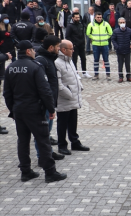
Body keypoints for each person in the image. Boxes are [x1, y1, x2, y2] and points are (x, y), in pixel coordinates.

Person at [3, 41, 67, 183]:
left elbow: (6, 93)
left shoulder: (10, 68)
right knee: (43, 140)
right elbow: (45, 91)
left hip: (19, 110)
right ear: (28, 51)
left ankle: (25, 171)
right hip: (34, 110)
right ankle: (50, 172)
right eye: (32, 50)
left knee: (23, 141)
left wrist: (12, 109)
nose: (34, 52)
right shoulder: (35, 67)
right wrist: (51, 109)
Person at [55, 40, 90, 155]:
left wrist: (80, 87)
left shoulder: (69, 61)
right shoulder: (57, 63)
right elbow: (58, 84)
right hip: (64, 99)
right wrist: (69, 94)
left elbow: (75, 76)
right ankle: (62, 145)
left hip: (73, 98)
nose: (73, 51)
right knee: (62, 124)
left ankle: (74, 142)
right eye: (71, 49)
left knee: (73, 122)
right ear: (64, 50)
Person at [33, 36, 66, 161]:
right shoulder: (42, 60)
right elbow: (41, 84)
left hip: (50, 100)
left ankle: (48, 152)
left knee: (47, 131)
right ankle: (42, 156)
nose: (59, 49)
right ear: (51, 47)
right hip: (44, 102)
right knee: (42, 132)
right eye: (58, 47)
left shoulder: (49, 58)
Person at [86, 12, 112, 80]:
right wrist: (93, 38)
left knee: (106, 60)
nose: (99, 18)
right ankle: (96, 74)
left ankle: (108, 74)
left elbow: (110, 32)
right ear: (95, 17)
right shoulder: (91, 24)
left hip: (105, 44)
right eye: (98, 17)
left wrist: (106, 38)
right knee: (96, 60)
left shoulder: (106, 24)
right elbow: (88, 33)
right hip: (95, 45)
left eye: (100, 17)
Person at [65, 12, 89, 78]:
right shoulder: (70, 26)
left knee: (83, 59)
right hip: (74, 46)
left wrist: (84, 43)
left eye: (78, 17)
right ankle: (76, 73)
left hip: (81, 45)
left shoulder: (80, 25)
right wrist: (72, 44)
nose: (78, 19)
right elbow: (67, 36)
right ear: (72, 18)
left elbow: (82, 35)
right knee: (74, 60)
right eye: (76, 17)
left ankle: (84, 72)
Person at [112, 17, 131, 83]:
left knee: (128, 64)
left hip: (127, 50)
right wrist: (116, 46)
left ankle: (129, 76)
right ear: (118, 23)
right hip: (119, 50)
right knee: (120, 64)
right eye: (121, 22)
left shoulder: (129, 30)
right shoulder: (116, 31)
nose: (122, 24)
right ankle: (120, 77)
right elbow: (113, 39)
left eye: (123, 22)